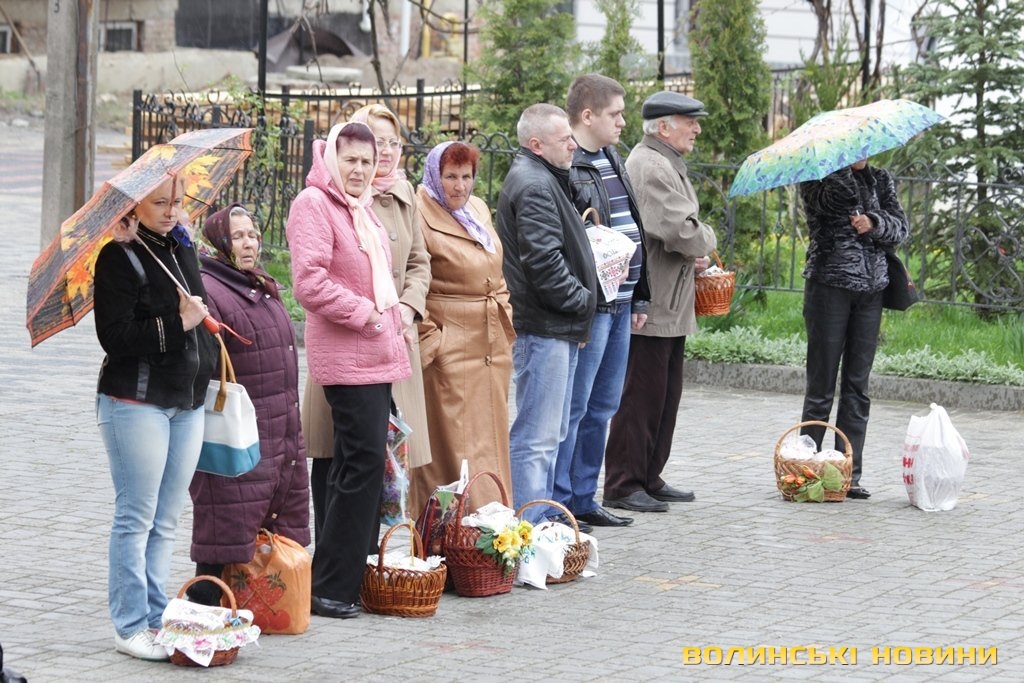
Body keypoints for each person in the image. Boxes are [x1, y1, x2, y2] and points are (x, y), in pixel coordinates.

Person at [286, 121, 410, 619]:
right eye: (351, 160)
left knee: (359, 467)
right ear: (331, 160)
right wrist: (368, 316)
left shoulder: (360, 207)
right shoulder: (314, 204)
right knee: (360, 467)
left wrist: (391, 323)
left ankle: (341, 579)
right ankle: (332, 587)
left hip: (376, 353)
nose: (359, 169)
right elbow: (309, 282)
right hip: (349, 355)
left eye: (367, 160)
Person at [93, 174, 218, 660]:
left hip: (187, 400)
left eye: (177, 202)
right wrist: (178, 323)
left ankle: (154, 615)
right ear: (135, 206)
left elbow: (197, 313)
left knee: (166, 519)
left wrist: (200, 328)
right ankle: (128, 626)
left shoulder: (181, 247)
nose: (171, 211)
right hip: (136, 401)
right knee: (136, 516)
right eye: (160, 203)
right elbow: (115, 336)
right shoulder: (118, 256)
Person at [301, 104, 432, 535]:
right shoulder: (329, 200)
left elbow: (419, 261)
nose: (385, 152)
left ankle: (367, 555)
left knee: (381, 456)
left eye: (392, 143)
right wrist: (370, 316)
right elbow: (312, 280)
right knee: (340, 457)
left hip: (394, 336)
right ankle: (337, 555)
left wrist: (407, 307)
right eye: (376, 142)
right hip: (349, 343)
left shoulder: (402, 196)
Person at [184, 203, 310, 606]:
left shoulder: (259, 286)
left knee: (264, 522)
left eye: (253, 235)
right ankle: (202, 608)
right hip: (237, 431)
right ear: (219, 243)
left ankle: (255, 606)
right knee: (225, 525)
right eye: (237, 236)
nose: (249, 243)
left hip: (278, 427)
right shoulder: (211, 291)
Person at [603, 92, 717, 514]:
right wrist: (705, 240)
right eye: (690, 121)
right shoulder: (650, 165)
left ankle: (649, 476)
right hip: (652, 302)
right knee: (641, 397)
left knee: (664, 396)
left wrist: (695, 247)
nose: (697, 128)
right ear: (664, 127)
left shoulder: (664, 161)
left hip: (670, 299)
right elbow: (680, 230)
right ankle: (623, 483)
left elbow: (681, 232)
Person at [554, 73, 651, 530]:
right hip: (592, 307)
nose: (623, 122)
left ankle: (584, 497)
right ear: (588, 116)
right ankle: (560, 502)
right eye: (616, 114)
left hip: (622, 302)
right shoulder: (568, 165)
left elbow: (632, 224)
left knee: (603, 407)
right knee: (575, 408)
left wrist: (640, 296)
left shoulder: (612, 156)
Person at [496, 103, 599, 522]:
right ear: (536, 145)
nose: (574, 145)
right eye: (564, 139)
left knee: (549, 433)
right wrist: (583, 303)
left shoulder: (545, 178)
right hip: (545, 327)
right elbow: (543, 263)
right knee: (537, 438)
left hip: (555, 325)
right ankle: (528, 529)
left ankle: (535, 523)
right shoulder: (535, 184)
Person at [411, 141, 516, 510]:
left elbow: (496, 271)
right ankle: (450, 530)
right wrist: (433, 342)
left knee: (491, 441)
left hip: (490, 344)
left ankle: (494, 526)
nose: (460, 186)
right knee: (453, 446)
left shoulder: (477, 208)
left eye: (467, 176)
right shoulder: (419, 213)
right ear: (434, 176)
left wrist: (504, 315)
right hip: (449, 346)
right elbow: (411, 281)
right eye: (451, 177)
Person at [799, 158, 910, 500]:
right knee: (821, 386)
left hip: (871, 290)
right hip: (829, 286)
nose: (862, 153)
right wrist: (841, 169)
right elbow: (835, 203)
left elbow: (900, 227)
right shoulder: (817, 175)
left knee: (857, 387)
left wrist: (874, 222)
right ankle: (806, 471)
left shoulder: (880, 179)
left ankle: (847, 473)